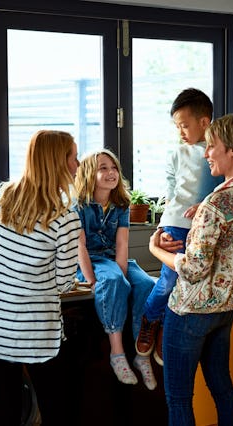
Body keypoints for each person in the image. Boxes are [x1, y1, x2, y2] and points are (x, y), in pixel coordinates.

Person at [148, 114, 233, 426]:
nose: (206, 153)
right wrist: (205, 210)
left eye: (212, 146)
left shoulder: (215, 204)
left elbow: (194, 269)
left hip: (189, 312)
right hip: (224, 308)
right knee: (222, 388)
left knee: (179, 398)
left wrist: (156, 249)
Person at [0, 130, 82, 426]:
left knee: (6, 415)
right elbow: (63, 282)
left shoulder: (1, 202)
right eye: (74, 157)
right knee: (57, 411)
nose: (78, 164)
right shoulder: (65, 216)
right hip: (37, 335)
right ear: (58, 163)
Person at [135, 88, 224, 366]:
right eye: (177, 126)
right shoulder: (177, 153)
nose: (180, 132)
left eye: (184, 125)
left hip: (204, 228)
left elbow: (223, 188)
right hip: (176, 222)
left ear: (204, 122)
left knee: (187, 286)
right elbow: (172, 188)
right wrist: (167, 219)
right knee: (170, 280)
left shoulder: (219, 151)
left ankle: (166, 328)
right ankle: (151, 319)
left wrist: (207, 206)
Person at [73, 148, 158, 390]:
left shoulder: (121, 204)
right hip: (90, 263)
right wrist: (91, 280)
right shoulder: (78, 206)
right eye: (103, 168)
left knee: (147, 284)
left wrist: (121, 277)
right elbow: (79, 245)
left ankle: (141, 355)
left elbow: (122, 244)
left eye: (114, 168)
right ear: (90, 173)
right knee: (112, 281)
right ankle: (117, 352)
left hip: (115, 261)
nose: (111, 173)